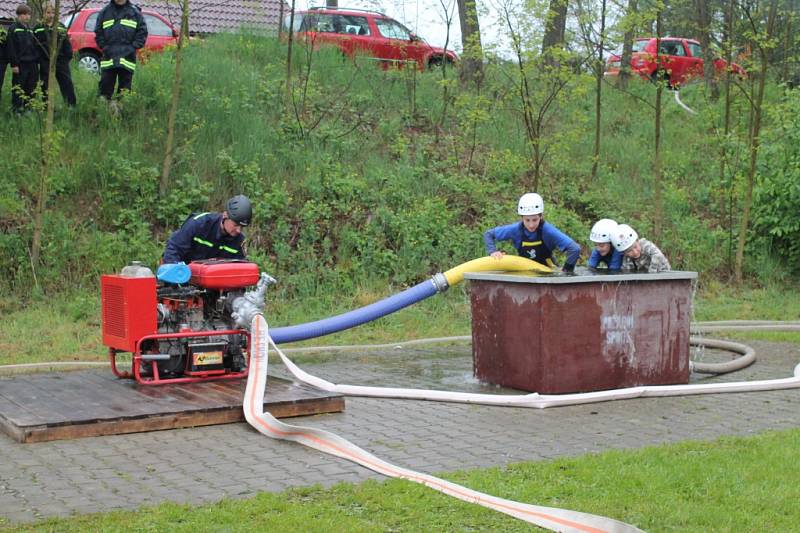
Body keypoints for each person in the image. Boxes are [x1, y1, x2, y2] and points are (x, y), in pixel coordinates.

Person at [484, 192, 581, 272]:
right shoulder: (515, 229)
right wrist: (492, 251)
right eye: (527, 220)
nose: (531, 225)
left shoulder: (548, 230)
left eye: (535, 220)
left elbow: (575, 249)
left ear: (541, 216)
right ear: (521, 217)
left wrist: (567, 271)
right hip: (525, 270)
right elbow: (489, 234)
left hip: (548, 271)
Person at [163, 195, 253, 264]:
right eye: (236, 225)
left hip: (213, 282)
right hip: (184, 274)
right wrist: (175, 276)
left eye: (242, 227)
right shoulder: (199, 224)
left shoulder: (239, 241)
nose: (238, 230)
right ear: (225, 215)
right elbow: (174, 248)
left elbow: (239, 268)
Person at [94, 0, 147, 101]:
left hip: (127, 58)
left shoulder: (135, 13)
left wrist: (133, 47)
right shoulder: (104, 12)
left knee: (124, 93)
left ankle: (122, 113)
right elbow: (98, 32)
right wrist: (104, 47)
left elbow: (142, 32)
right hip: (109, 58)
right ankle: (103, 113)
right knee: (104, 90)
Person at [34, 5, 76, 107]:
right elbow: (35, 46)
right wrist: (39, 59)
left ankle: (71, 105)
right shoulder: (38, 28)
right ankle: (47, 107)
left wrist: (67, 57)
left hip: (60, 60)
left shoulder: (60, 26)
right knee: (45, 84)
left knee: (66, 82)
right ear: (43, 14)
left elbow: (66, 43)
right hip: (45, 61)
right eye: (48, 13)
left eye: (53, 13)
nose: (51, 15)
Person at [6, 4, 39, 113]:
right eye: (24, 14)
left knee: (31, 86)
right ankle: (16, 109)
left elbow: (34, 46)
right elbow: (11, 48)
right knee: (18, 86)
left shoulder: (30, 30)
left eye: (29, 14)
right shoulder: (13, 29)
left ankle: (28, 107)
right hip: (20, 64)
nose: (27, 17)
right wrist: (14, 64)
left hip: (32, 64)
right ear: (19, 15)